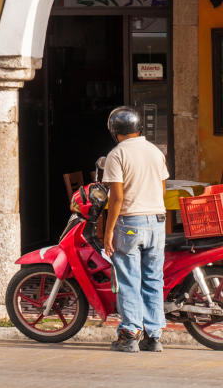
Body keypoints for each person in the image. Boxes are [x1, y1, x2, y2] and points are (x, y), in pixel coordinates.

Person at [102, 106, 169, 353]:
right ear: (139, 128)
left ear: (114, 131)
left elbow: (116, 198)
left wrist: (108, 232)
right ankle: (153, 336)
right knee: (153, 279)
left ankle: (130, 334)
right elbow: (162, 190)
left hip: (129, 224)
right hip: (157, 223)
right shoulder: (155, 151)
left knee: (129, 279)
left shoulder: (116, 155)